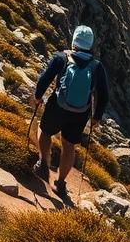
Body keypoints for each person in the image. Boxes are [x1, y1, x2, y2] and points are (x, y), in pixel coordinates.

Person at [32, 25, 109, 197]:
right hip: (80, 113)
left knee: (44, 131)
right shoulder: (97, 67)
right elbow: (103, 95)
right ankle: (60, 184)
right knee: (69, 146)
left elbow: (45, 79)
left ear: (74, 41)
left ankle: (43, 164)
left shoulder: (61, 57)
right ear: (90, 45)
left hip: (57, 106)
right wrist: (96, 117)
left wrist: (38, 97)